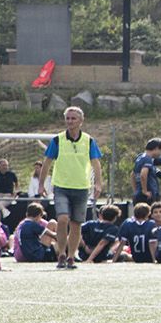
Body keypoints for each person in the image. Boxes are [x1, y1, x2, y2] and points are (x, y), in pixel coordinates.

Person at [36, 106, 103, 270]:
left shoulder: (89, 140)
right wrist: (41, 184)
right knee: (63, 219)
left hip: (81, 188)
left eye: (73, 118)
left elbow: (96, 164)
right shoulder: (58, 140)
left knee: (76, 224)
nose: (70, 121)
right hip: (61, 187)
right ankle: (61, 254)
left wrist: (98, 183)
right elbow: (47, 163)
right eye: (68, 118)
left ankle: (72, 256)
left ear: (81, 121)